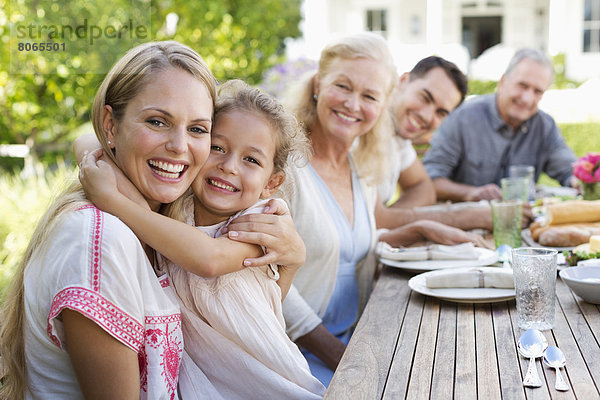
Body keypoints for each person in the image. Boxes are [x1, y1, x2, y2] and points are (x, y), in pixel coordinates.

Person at [0, 41, 304, 399]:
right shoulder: (100, 239)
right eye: (157, 121)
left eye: (197, 129)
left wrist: (294, 259)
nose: (179, 146)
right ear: (110, 124)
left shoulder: (166, 220)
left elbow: (252, 308)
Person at [225, 32, 490, 387]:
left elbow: (347, 249)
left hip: (353, 337)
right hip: (290, 356)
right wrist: (345, 358)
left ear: (382, 105)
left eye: (369, 96)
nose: (353, 104)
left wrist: (422, 232)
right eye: (343, 86)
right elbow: (260, 275)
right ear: (318, 84)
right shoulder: (282, 168)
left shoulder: (360, 163)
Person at [79, 80, 326, 399]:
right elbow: (86, 141)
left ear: (271, 182)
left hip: (270, 386)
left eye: (251, 160)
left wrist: (112, 201)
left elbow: (207, 260)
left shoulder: (261, 222)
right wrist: (98, 168)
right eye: (217, 147)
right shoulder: (176, 207)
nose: (229, 166)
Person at [422, 48, 578, 202]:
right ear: (503, 82)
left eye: (537, 91)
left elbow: (570, 170)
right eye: (522, 86)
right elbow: (430, 179)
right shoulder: (463, 118)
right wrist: (472, 193)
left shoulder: (545, 126)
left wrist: (579, 180)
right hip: (466, 221)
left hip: (523, 222)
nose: (527, 99)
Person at [378, 56, 468, 208]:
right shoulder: (363, 124)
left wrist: (391, 216)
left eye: (440, 113)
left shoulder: (398, 138)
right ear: (403, 81)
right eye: (425, 98)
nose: (427, 116)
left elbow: (424, 189)